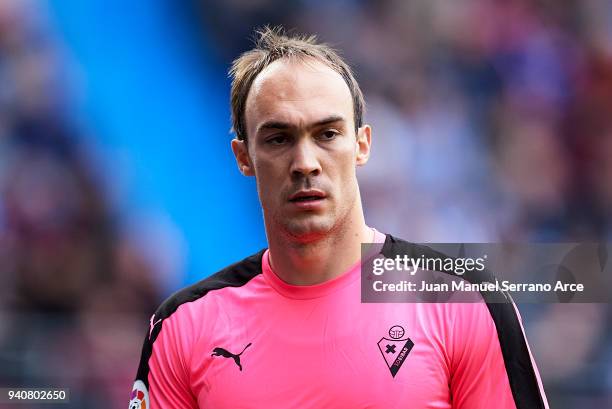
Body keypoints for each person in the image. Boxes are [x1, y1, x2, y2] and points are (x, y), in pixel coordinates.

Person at [129, 26, 549, 409]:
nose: (305, 162)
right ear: (244, 158)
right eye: (278, 139)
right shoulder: (183, 326)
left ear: (362, 145)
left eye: (327, 134)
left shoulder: (463, 300)